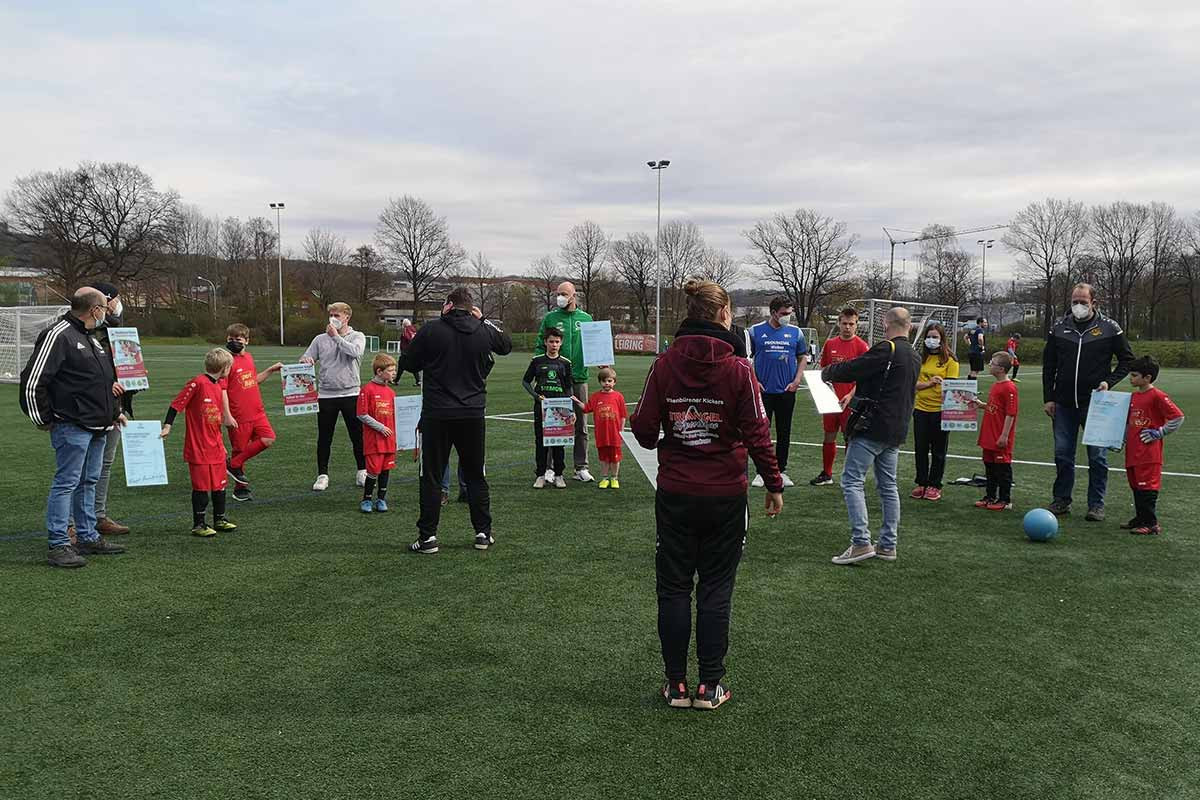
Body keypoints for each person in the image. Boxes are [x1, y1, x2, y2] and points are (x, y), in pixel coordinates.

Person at [630, 279, 784, 711]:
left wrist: (676, 428)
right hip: (725, 496)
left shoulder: (665, 364)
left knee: (674, 588)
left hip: (677, 492)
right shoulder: (739, 370)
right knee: (716, 589)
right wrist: (773, 484)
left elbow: (642, 431)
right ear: (722, 314)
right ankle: (710, 685)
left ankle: (675, 684)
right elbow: (758, 432)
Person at [19, 287, 129, 568]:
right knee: (66, 482)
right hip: (72, 425)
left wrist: (114, 412)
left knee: (88, 481)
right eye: (105, 307)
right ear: (95, 310)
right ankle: (58, 543)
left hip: (99, 426)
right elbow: (33, 381)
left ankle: (87, 536)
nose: (109, 311)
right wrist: (43, 419)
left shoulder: (90, 338)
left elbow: (103, 382)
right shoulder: (59, 335)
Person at [397, 287, 512, 553]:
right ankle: (483, 533)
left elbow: (410, 363)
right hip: (472, 413)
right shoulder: (483, 329)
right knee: (475, 474)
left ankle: (427, 537)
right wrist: (482, 320)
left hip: (437, 413)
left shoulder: (431, 329)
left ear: (448, 306)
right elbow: (505, 345)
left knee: (432, 475)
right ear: (471, 308)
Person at [821, 307, 920, 565]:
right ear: (909, 326)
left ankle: (861, 541)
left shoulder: (887, 348)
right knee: (888, 486)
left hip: (872, 426)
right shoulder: (914, 354)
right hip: (897, 428)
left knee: (851, 481)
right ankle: (888, 544)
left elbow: (855, 368)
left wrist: (827, 373)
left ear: (885, 324)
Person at [1043, 284, 1135, 520]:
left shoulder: (1110, 328)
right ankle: (1062, 500)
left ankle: (1096, 505)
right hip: (1063, 403)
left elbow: (1127, 361)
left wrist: (1108, 382)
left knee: (1098, 457)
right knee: (1063, 454)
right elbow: (1049, 366)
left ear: (1094, 303)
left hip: (1096, 404)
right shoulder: (1058, 327)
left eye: (1083, 301)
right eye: (1075, 301)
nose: (1078, 306)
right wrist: (1049, 398)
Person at [161, 348, 238, 537]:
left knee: (220, 485)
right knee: (201, 488)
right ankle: (199, 524)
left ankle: (219, 518)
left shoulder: (219, 386)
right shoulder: (197, 383)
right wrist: (167, 426)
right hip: (199, 448)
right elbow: (176, 405)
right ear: (224, 367)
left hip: (216, 446)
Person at [301, 302, 368, 492]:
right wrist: (306, 360)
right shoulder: (320, 339)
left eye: (337, 315)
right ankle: (322, 474)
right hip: (326, 394)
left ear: (347, 317)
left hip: (351, 393)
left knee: (357, 436)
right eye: (331, 314)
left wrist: (337, 337)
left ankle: (362, 470)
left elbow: (355, 352)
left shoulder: (358, 336)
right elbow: (307, 357)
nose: (333, 318)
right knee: (324, 437)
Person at [534, 282, 595, 482]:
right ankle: (550, 468)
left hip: (579, 378)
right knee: (552, 424)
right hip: (555, 382)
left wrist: (601, 360)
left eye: (563, 294)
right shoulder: (551, 318)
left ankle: (581, 467)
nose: (559, 297)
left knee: (581, 425)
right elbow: (538, 346)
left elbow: (595, 346)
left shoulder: (586, 319)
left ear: (573, 295)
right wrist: (541, 370)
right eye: (557, 294)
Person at [749, 296, 808, 488]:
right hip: (762, 391)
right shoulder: (755, 331)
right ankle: (761, 472)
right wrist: (755, 381)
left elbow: (802, 357)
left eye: (789, 313)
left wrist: (797, 380)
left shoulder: (796, 333)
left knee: (784, 432)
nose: (787, 317)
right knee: (761, 433)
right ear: (773, 312)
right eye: (784, 313)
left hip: (786, 391)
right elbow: (746, 359)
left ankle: (781, 471)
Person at [1122, 356, 1184, 535]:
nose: (1130, 378)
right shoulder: (1134, 396)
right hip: (1133, 451)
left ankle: (1151, 523)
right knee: (1136, 486)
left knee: (1146, 486)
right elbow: (1129, 422)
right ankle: (1140, 518)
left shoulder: (1157, 395)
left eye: (1134, 375)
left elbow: (1178, 417)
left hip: (1148, 454)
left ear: (1147, 378)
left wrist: (1160, 432)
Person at [222, 323, 283, 502]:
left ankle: (231, 466)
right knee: (239, 450)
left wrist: (270, 370)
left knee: (268, 438)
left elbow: (253, 381)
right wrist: (227, 415)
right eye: (231, 339)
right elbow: (222, 390)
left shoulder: (248, 357)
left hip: (257, 412)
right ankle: (240, 489)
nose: (234, 342)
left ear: (247, 341)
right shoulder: (227, 362)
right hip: (238, 415)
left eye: (238, 339)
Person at [812, 307, 869, 486]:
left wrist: (851, 395)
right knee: (829, 435)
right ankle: (827, 474)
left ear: (856, 325)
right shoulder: (830, 344)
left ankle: (850, 475)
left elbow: (865, 377)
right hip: (830, 400)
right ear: (838, 323)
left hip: (851, 402)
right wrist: (823, 392)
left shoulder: (862, 346)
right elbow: (824, 371)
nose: (847, 327)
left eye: (851, 324)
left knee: (850, 438)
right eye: (844, 323)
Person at [911, 322, 959, 501]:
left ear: (942, 339)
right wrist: (929, 383)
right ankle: (921, 483)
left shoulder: (950, 360)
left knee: (938, 450)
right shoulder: (919, 359)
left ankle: (934, 485)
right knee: (920, 448)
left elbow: (954, 389)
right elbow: (912, 385)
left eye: (935, 337)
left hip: (941, 411)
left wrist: (943, 386)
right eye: (929, 337)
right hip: (921, 409)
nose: (931, 340)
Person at [523, 327, 574, 489]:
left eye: (557, 342)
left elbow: (569, 388)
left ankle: (559, 475)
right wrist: (536, 396)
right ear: (545, 342)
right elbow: (526, 381)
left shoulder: (565, 363)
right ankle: (540, 475)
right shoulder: (537, 361)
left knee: (559, 443)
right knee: (541, 442)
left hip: (560, 408)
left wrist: (570, 409)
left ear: (561, 343)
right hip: (542, 408)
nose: (554, 345)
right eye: (551, 341)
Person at [970, 352, 1018, 511]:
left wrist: (1004, 435)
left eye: (993, 363)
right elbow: (995, 408)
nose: (990, 365)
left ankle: (1005, 499)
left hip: (1000, 436)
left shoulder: (1009, 387)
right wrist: (981, 404)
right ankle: (990, 496)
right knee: (989, 467)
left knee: (1002, 469)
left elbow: (1011, 413)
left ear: (1002, 369)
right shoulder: (996, 385)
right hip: (989, 435)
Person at [357, 354, 399, 513]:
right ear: (379, 371)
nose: (394, 373)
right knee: (374, 470)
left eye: (394, 370)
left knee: (386, 469)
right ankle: (366, 499)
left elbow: (396, 417)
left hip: (390, 439)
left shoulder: (391, 392)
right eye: (390, 370)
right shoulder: (367, 390)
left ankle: (381, 499)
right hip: (374, 439)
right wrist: (381, 427)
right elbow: (362, 414)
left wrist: (399, 439)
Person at [575, 366, 626, 489]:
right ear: (600, 382)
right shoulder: (596, 396)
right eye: (604, 381)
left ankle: (614, 478)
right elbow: (587, 409)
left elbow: (623, 415)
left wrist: (621, 430)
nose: (606, 383)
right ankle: (604, 478)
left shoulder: (618, 396)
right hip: (602, 435)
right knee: (604, 458)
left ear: (614, 382)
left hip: (614, 435)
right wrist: (577, 401)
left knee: (615, 458)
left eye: (609, 381)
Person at [400, 319, 420, 386]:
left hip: (407, 351)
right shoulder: (413, 329)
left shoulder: (406, 330)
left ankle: (418, 380)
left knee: (405, 365)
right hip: (414, 350)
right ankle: (395, 380)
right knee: (401, 365)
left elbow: (408, 338)